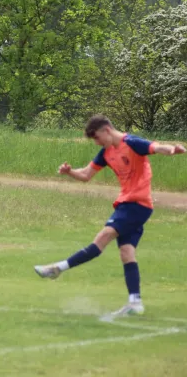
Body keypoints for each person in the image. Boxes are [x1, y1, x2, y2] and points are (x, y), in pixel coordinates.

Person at [34, 115, 186, 316]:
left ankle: (57, 268)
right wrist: (69, 172)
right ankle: (135, 302)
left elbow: (156, 147)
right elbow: (86, 175)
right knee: (127, 252)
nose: (97, 142)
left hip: (136, 205)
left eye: (97, 138)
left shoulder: (131, 143)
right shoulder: (105, 153)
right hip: (127, 205)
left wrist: (173, 149)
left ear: (106, 130)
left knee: (103, 237)